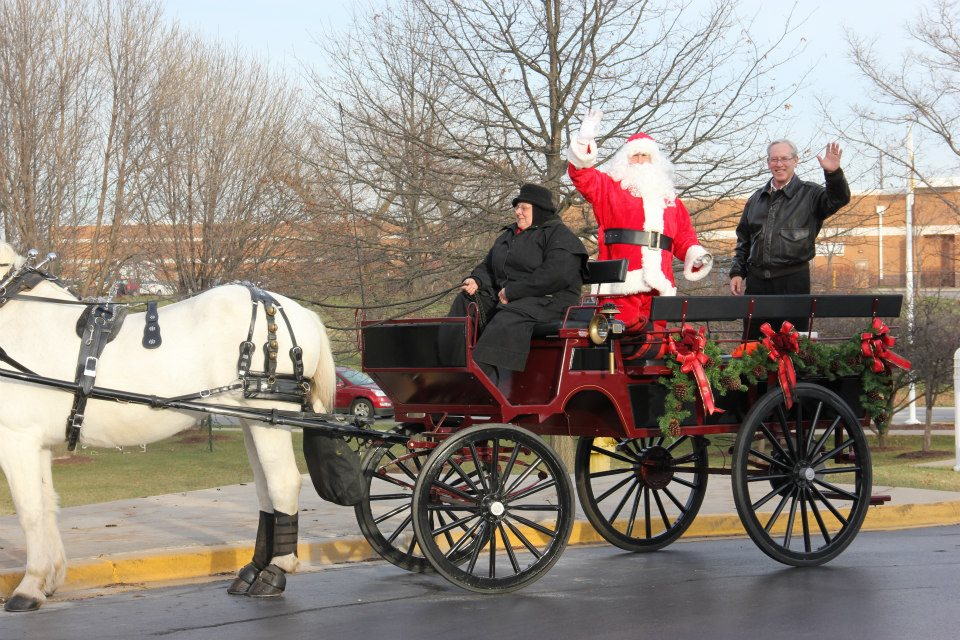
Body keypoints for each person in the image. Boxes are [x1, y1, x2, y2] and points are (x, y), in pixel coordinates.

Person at [567, 109, 713, 331]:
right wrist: (584, 139)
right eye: (635, 155)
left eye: (645, 156)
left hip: (659, 282)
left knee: (656, 344)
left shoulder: (669, 198)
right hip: (622, 281)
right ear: (625, 159)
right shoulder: (608, 187)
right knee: (619, 340)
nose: (640, 161)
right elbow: (582, 175)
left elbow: (683, 235)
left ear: (654, 161)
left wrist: (695, 254)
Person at [447, 182, 588, 384]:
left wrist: (513, 291)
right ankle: (452, 364)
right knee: (467, 301)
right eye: (517, 207)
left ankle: (477, 380)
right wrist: (476, 280)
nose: (518, 212)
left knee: (509, 316)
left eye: (524, 208)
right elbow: (489, 266)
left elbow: (555, 275)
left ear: (539, 211)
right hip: (513, 299)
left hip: (552, 301)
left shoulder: (561, 237)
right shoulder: (509, 236)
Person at [729, 139, 850, 334]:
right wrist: (737, 272)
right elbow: (744, 239)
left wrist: (833, 174)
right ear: (768, 162)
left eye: (785, 158)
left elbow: (839, 199)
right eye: (774, 159)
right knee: (754, 349)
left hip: (793, 283)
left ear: (796, 160)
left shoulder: (811, 194)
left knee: (792, 348)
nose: (779, 164)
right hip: (756, 284)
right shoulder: (755, 199)